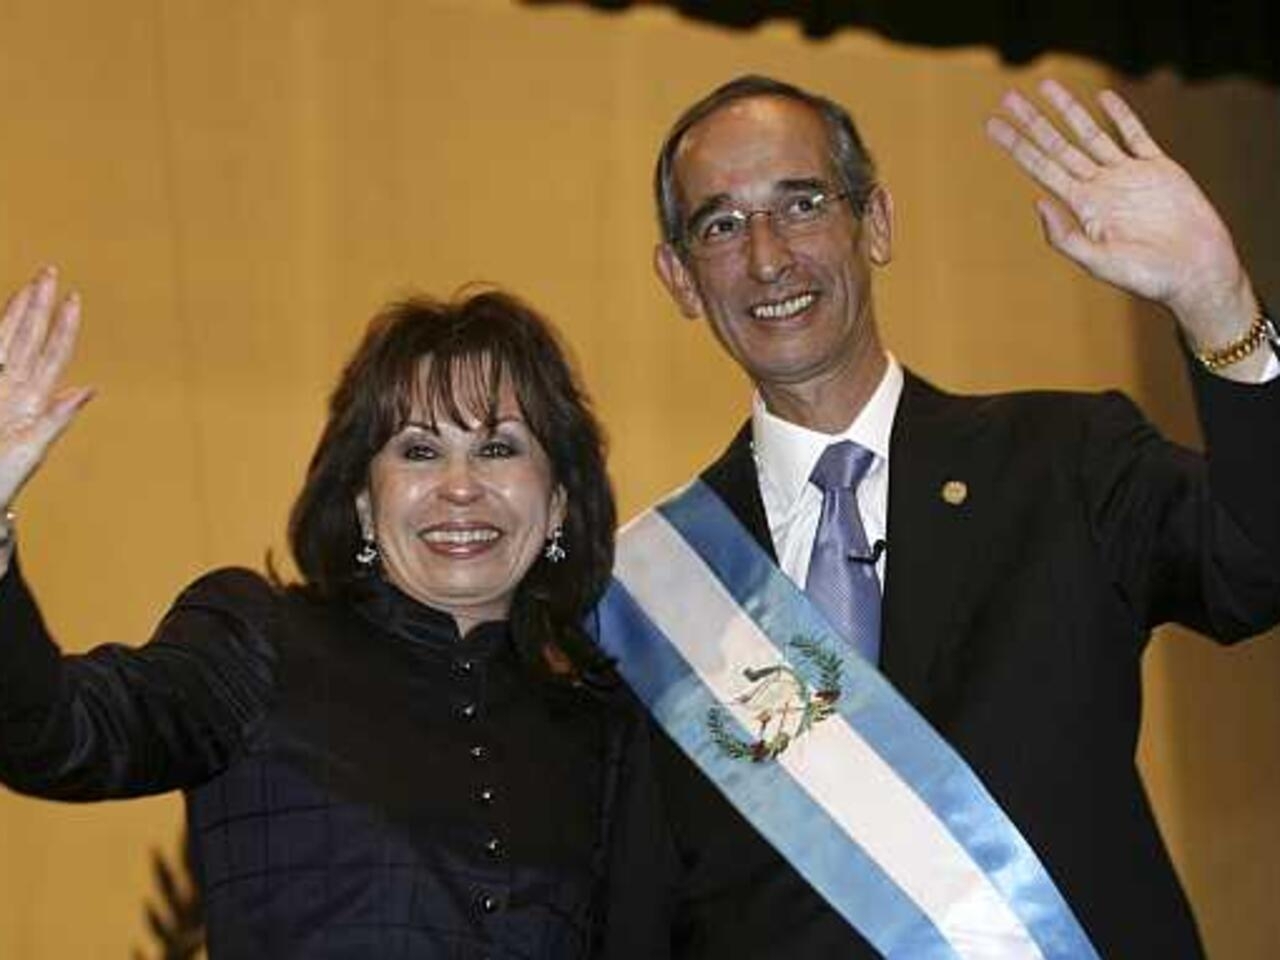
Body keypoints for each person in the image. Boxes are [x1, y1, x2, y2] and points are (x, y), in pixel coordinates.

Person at [600, 74, 1280, 958]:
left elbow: (1257, 563)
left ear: (874, 223)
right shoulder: (647, 593)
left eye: (801, 204)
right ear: (680, 277)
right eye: (720, 225)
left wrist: (1214, 297)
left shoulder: (1064, 459)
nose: (767, 257)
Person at [0, 272, 673, 958]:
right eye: (419, 450)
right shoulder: (257, 642)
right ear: (360, 499)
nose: (461, 486)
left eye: (498, 448)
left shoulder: (604, 727)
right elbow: (55, 737)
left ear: (558, 501)